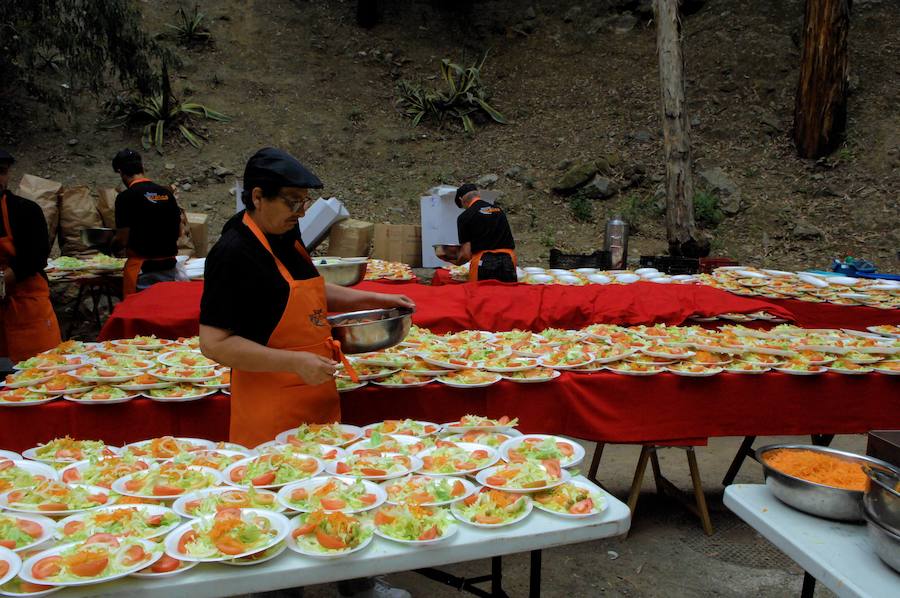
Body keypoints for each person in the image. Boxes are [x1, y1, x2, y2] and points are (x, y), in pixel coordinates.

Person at [200, 147, 413, 598]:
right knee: (278, 505)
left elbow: (314, 291)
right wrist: (295, 361)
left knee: (335, 492)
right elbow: (213, 343)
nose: (300, 213)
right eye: (292, 202)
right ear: (258, 196)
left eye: (305, 204)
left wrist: (371, 300)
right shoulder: (232, 254)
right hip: (269, 407)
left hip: (316, 394)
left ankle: (357, 585)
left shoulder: (286, 236)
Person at [0, 149, 62, 362]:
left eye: (2, 172)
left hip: (27, 303)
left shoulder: (25, 210)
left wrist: (3, 279)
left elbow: (36, 256)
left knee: (39, 372)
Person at [111, 148, 185, 294]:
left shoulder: (125, 197)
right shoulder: (166, 193)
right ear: (141, 167)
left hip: (142, 270)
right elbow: (180, 231)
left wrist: (111, 247)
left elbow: (122, 238)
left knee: (138, 314)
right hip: (169, 268)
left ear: (120, 172)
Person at [437, 183, 517, 282]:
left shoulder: (465, 217)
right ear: (478, 193)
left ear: (461, 200)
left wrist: (453, 261)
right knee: (507, 294)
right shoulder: (498, 210)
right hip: (508, 259)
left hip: (484, 263)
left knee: (482, 295)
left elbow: (466, 254)